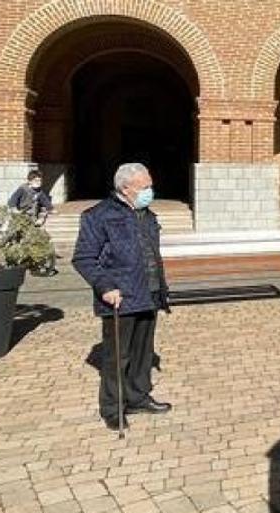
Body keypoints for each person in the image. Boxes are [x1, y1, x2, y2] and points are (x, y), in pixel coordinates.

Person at [72, 162, 172, 432]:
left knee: (142, 353)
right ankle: (113, 407)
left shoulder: (146, 214)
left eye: (150, 186)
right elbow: (83, 258)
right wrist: (105, 286)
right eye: (145, 187)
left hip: (149, 294)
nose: (150, 191)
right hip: (119, 297)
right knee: (118, 356)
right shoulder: (98, 216)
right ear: (125, 188)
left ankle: (138, 397)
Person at [9, 169, 58, 275]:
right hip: (20, 216)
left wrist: (51, 209)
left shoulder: (39, 192)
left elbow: (45, 201)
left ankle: (34, 257)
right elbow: (12, 200)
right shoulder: (23, 189)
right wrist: (14, 209)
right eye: (36, 181)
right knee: (18, 236)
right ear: (30, 181)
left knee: (33, 235)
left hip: (32, 217)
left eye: (40, 181)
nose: (39, 183)